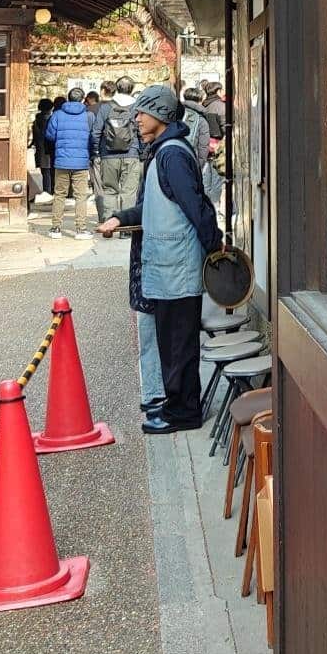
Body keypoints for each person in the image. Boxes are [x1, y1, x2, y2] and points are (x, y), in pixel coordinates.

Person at [97, 85, 218, 434]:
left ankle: (184, 413)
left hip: (177, 266)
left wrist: (216, 251)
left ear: (161, 115)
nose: (135, 118)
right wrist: (120, 218)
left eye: (142, 112)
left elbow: (197, 206)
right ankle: (175, 404)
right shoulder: (164, 151)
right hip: (169, 266)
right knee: (171, 340)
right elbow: (157, 205)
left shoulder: (172, 155)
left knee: (179, 343)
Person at [43, 83, 98, 238]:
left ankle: (56, 228)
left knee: (59, 194)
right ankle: (81, 229)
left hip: (61, 160)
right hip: (81, 161)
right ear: (83, 100)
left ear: (68, 98)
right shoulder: (89, 116)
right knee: (80, 195)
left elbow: (50, 135)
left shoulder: (57, 115)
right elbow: (93, 136)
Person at [95, 75, 141, 221]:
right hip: (132, 154)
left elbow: (96, 132)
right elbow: (142, 131)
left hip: (108, 155)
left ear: (117, 88)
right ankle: (126, 226)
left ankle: (110, 223)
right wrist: (143, 152)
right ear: (132, 89)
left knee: (109, 191)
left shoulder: (105, 108)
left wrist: (95, 151)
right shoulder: (137, 108)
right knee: (129, 192)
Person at [31, 97, 54, 194]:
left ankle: (46, 191)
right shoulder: (51, 120)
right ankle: (50, 191)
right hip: (49, 147)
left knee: (44, 172)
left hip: (40, 148)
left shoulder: (37, 120)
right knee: (50, 172)